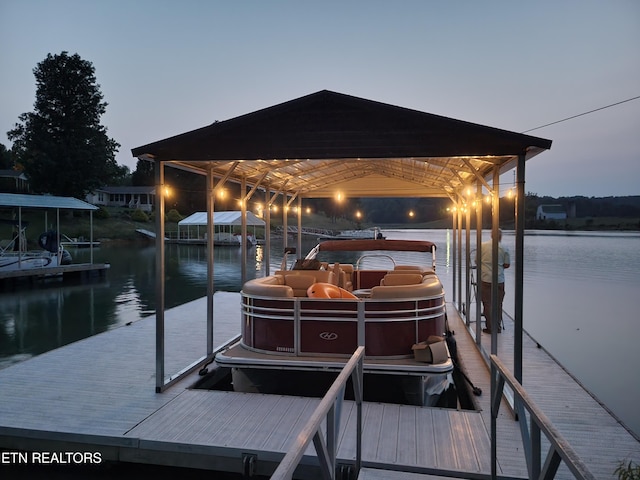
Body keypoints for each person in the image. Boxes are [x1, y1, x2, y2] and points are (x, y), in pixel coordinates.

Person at [478, 229, 510, 334]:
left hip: (485, 279)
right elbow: (507, 264)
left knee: (487, 304)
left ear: (491, 235)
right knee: (498, 304)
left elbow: (477, 261)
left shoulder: (482, 246)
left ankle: (490, 327)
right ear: (500, 237)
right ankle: (497, 327)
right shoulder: (504, 248)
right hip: (499, 280)